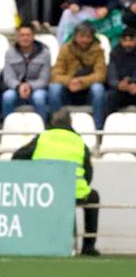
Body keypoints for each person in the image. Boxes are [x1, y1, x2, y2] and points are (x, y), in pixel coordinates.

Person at [11, 108, 100, 255]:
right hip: (75, 193)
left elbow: (17, 157)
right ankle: (88, 246)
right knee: (94, 197)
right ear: (70, 123)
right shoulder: (79, 142)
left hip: (44, 193)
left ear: (52, 122)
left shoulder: (42, 138)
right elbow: (88, 174)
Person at [50, 21, 107, 127]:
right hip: (68, 88)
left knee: (98, 89)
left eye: (88, 37)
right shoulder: (65, 49)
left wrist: (82, 82)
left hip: (88, 90)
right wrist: (69, 82)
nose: (84, 40)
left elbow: (101, 74)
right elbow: (55, 74)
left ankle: (98, 128)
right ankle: (56, 125)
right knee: (54, 89)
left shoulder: (98, 50)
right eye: (81, 36)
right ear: (75, 36)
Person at [2, 23, 52, 118]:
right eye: (22, 35)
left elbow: (45, 79)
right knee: (7, 97)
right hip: (16, 89)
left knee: (39, 98)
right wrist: (18, 86)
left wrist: (30, 86)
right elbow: (8, 77)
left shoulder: (45, 53)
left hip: (38, 89)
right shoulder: (9, 53)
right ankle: (7, 128)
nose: (25, 38)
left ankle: (42, 127)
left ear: (33, 36)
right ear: (17, 37)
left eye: (28, 35)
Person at [104, 24, 136, 115]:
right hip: (120, 89)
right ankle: (102, 126)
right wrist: (119, 85)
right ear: (120, 41)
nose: (128, 44)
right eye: (125, 40)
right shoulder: (115, 54)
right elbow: (111, 77)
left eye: (131, 40)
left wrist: (132, 82)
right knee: (108, 97)